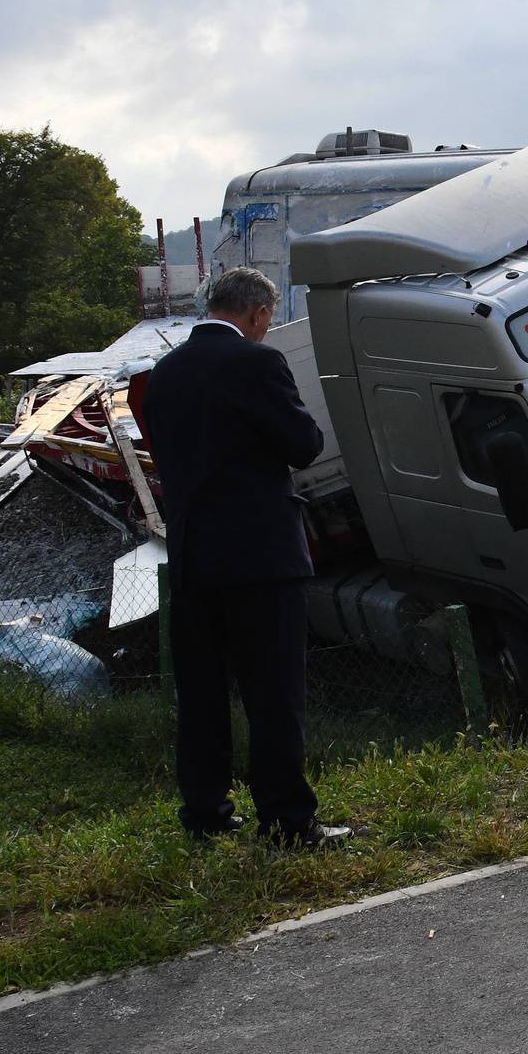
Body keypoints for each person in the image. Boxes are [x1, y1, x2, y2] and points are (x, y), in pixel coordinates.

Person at [142, 267, 350, 848]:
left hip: (192, 555)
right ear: (258, 314)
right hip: (259, 556)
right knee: (273, 693)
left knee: (203, 694)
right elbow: (303, 443)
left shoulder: (165, 373)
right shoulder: (258, 364)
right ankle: (287, 819)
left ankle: (205, 812)